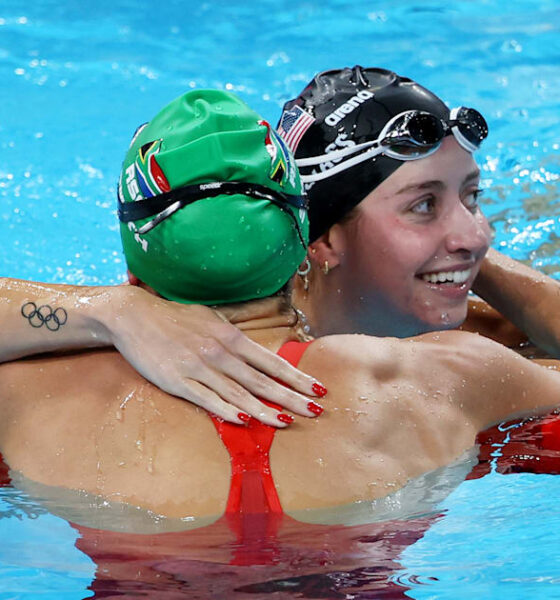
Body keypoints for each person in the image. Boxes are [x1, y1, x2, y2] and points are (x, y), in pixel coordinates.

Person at [2, 89, 560, 525]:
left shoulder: (29, 396)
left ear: (131, 272)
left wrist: (105, 310)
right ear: (302, 253)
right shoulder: (445, 376)